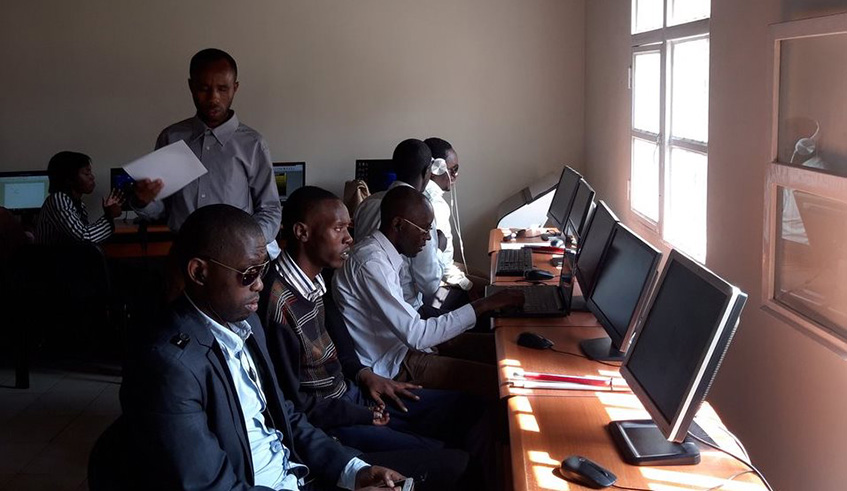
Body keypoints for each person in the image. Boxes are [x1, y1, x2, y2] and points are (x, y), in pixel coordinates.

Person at [119, 204, 467, 490]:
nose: (259, 285)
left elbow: (288, 418)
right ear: (199, 272)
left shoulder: (245, 323)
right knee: (448, 468)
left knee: (454, 464)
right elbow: (212, 485)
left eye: (263, 270)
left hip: (297, 472)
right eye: (247, 274)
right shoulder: (169, 365)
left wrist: (353, 470)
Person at [259, 185, 484, 457]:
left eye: (348, 229)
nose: (349, 239)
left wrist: (364, 376)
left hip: (356, 389)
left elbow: (336, 350)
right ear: (301, 232)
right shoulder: (279, 302)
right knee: (447, 458)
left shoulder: (315, 282)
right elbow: (299, 403)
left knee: (469, 409)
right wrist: (362, 414)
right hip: (336, 417)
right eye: (339, 229)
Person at [333, 187, 524, 400]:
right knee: (499, 380)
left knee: (501, 347)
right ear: (398, 225)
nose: (428, 238)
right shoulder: (371, 264)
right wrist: (483, 305)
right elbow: (417, 335)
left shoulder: (383, 256)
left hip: (401, 346)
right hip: (393, 363)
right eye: (424, 230)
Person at [132, 48, 281, 252]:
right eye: (204, 88)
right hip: (183, 252)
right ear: (191, 87)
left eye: (223, 89)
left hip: (234, 257)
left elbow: (271, 210)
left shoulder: (253, 144)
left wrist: (247, 244)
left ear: (235, 88)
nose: (213, 98)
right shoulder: (172, 138)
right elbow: (163, 210)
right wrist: (143, 201)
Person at [353, 139, 441, 311]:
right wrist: (438, 247)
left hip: (367, 305)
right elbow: (430, 285)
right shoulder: (420, 212)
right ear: (426, 172)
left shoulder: (366, 204)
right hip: (406, 307)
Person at [35, 151, 124, 244]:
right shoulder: (58, 199)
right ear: (69, 178)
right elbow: (84, 238)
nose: (92, 177)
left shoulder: (78, 202)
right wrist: (109, 216)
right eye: (86, 174)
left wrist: (108, 215)